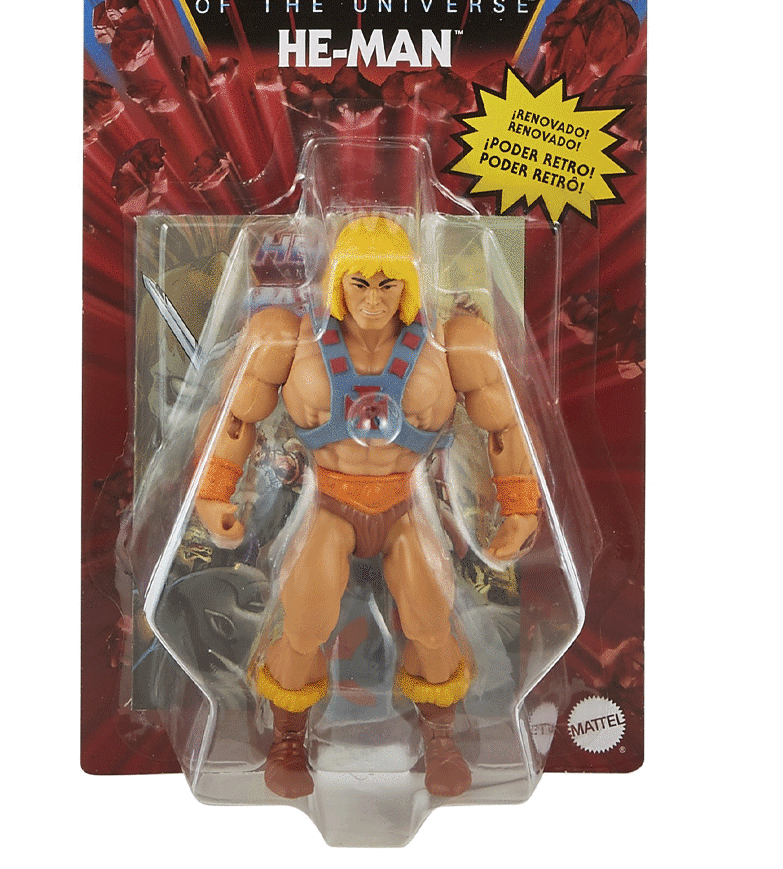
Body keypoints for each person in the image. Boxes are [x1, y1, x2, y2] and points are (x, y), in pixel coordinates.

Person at [191, 215, 540, 798]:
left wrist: (520, 506)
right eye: (360, 284)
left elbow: (504, 426)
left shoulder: (453, 344)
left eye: (387, 284)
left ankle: (441, 737)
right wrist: (213, 492)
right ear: (337, 284)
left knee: (431, 619)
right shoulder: (290, 340)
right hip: (329, 502)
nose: (374, 300)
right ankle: (287, 736)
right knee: (305, 618)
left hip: (405, 503)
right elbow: (235, 418)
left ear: (409, 284)